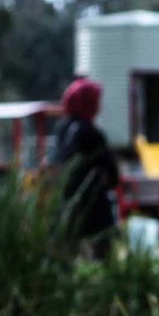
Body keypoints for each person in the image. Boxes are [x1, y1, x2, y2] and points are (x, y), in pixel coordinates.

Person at [45, 77, 121, 258]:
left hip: (66, 202)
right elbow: (112, 172)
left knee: (68, 255)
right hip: (93, 206)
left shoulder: (62, 130)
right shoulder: (90, 133)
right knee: (102, 254)